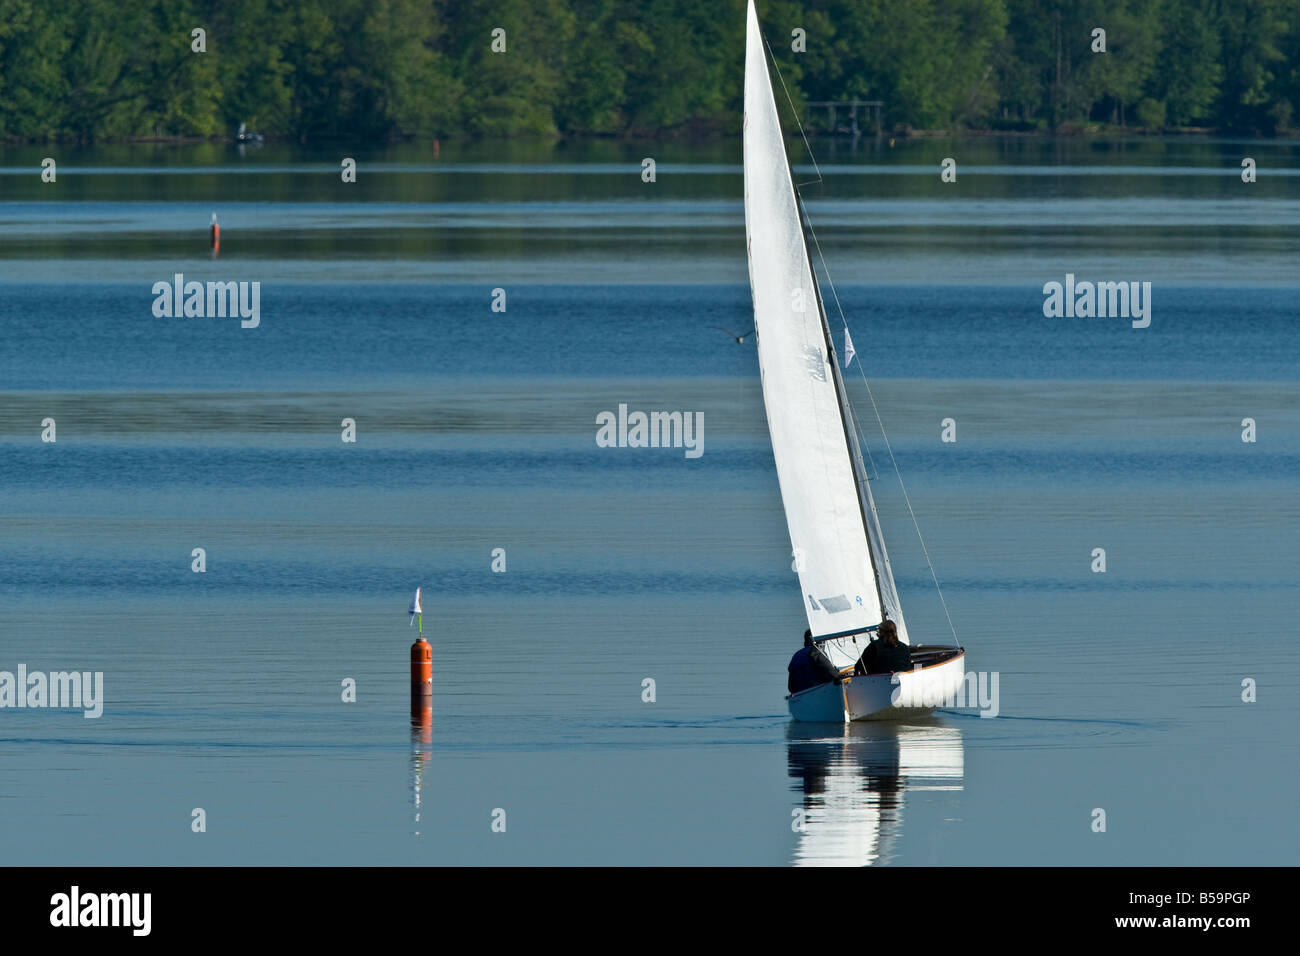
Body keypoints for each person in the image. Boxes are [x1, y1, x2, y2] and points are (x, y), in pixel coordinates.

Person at [787, 629, 843, 694]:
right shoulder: (816, 652)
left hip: (798, 693)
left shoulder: (796, 655)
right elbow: (831, 673)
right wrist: (838, 676)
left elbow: (790, 686)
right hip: (816, 691)